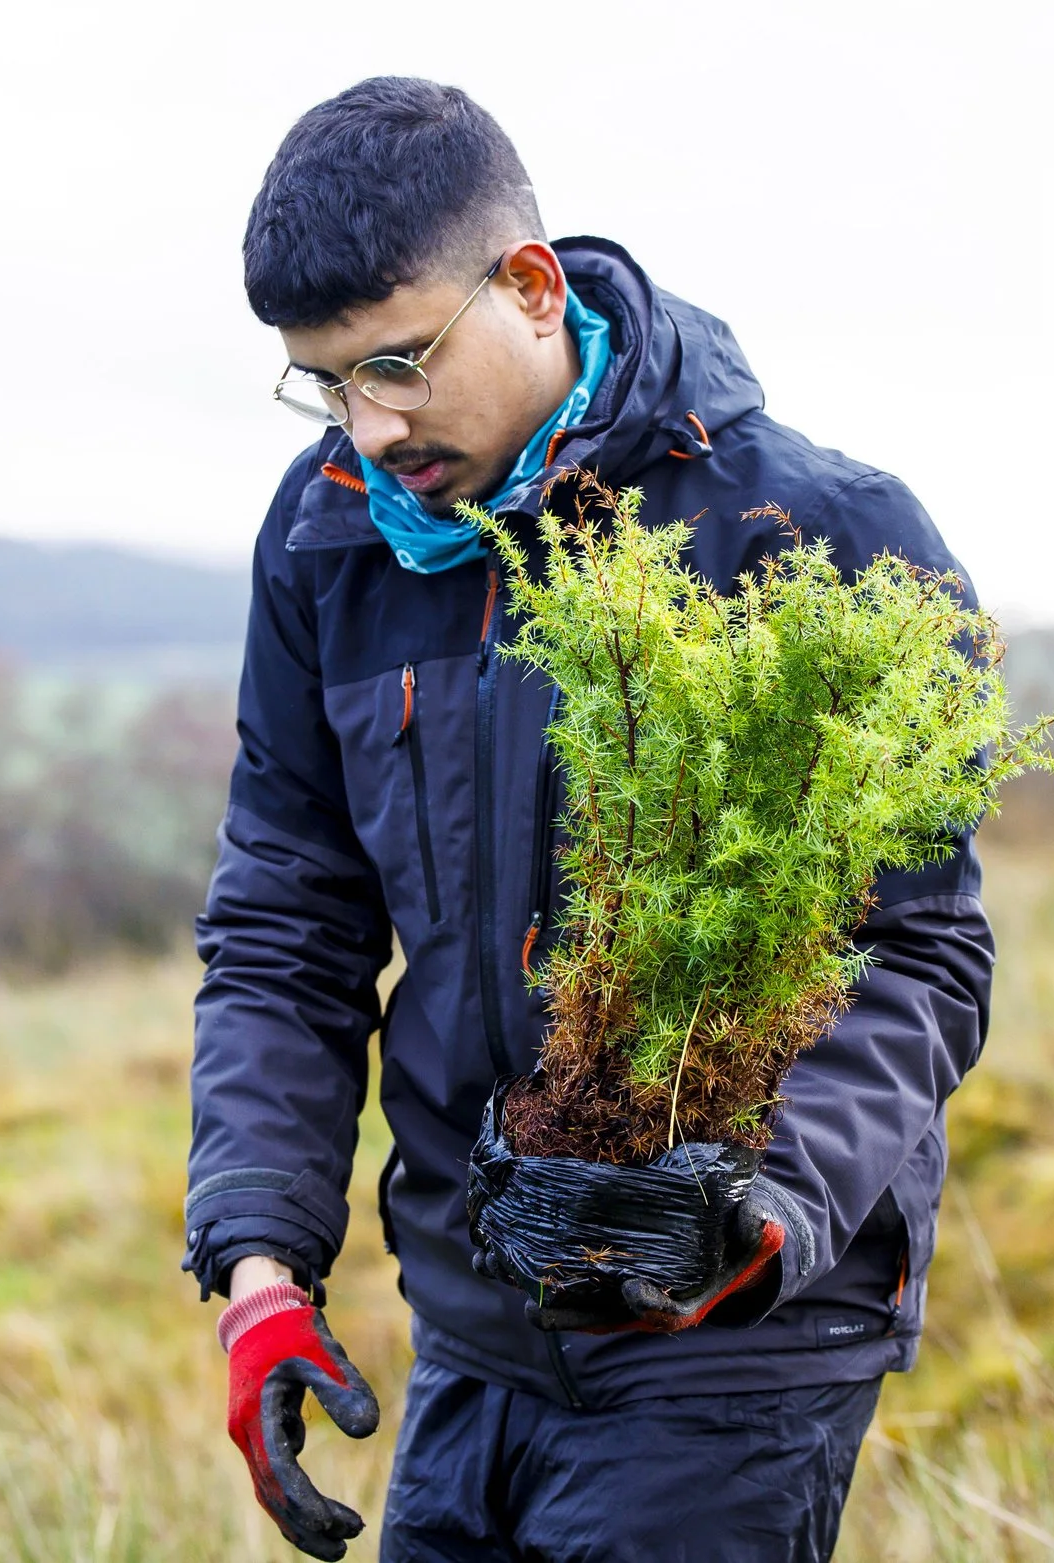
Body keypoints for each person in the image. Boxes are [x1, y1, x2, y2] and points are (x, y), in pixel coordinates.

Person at [185, 77, 995, 1563]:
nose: (369, 428)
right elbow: (286, 929)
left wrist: (762, 1208)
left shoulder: (810, 539)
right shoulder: (330, 542)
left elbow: (922, 954)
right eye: (324, 383)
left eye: (399, 365)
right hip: (476, 1328)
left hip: (731, 1340)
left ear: (534, 287)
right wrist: (259, 1265)